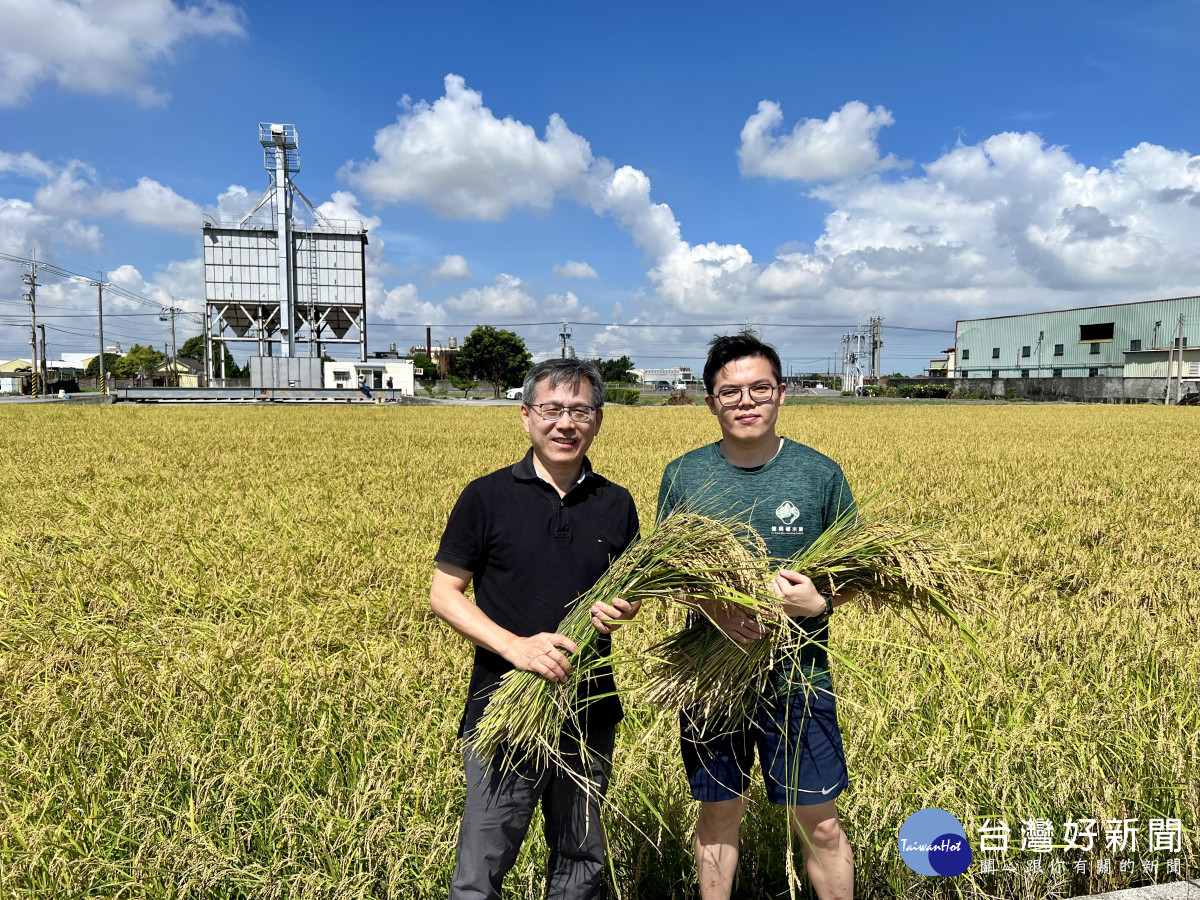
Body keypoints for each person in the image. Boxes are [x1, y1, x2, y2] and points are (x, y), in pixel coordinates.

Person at [430, 357, 641, 900]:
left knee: (580, 860)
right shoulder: (487, 496)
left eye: (580, 410)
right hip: (503, 710)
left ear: (598, 419)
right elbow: (444, 594)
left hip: (588, 707)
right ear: (526, 417)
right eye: (551, 409)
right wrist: (516, 648)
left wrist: (624, 610)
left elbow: (629, 593)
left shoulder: (617, 504)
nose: (564, 423)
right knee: (484, 864)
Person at [657, 333, 857, 900]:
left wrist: (820, 602)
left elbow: (856, 572)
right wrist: (715, 609)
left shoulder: (820, 475)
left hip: (800, 678)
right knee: (719, 814)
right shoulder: (684, 476)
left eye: (759, 389)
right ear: (710, 401)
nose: (746, 402)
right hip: (709, 679)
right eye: (730, 392)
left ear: (781, 394)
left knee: (819, 821)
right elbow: (666, 572)